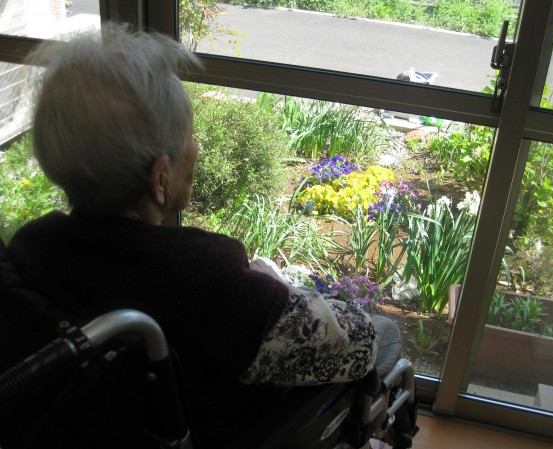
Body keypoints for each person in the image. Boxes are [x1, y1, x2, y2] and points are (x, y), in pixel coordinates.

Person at [6, 23, 401, 447]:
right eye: (188, 137)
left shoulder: (31, 247)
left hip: (93, 427)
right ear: (161, 178)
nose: (194, 147)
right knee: (385, 334)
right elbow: (357, 343)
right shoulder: (201, 276)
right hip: (218, 430)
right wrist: (279, 290)